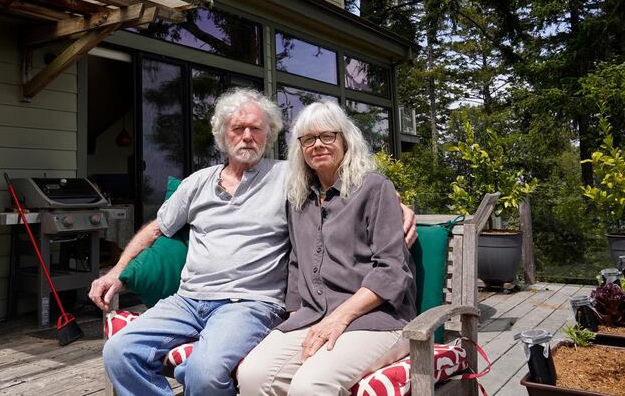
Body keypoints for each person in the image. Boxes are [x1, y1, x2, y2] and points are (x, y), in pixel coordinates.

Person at [89, 89, 415, 396]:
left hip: (249, 304)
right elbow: (155, 230)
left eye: (256, 129)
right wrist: (116, 272)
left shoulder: (290, 177)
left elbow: (349, 181)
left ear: (269, 135)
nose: (247, 136)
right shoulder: (197, 183)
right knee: (118, 352)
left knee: (205, 372)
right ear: (222, 135)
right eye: (238, 128)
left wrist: (398, 205)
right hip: (188, 299)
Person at [238, 101, 417, 396]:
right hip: (314, 316)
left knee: (310, 386)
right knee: (253, 375)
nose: (317, 145)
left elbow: (392, 269)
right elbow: (297, 264)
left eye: (327, 136)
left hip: (378, 321)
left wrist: (340, 316)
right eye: (308, 139)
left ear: (345, 139)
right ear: (300, 149)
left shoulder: (374, 188)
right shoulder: (298, 197)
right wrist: (296, 316)